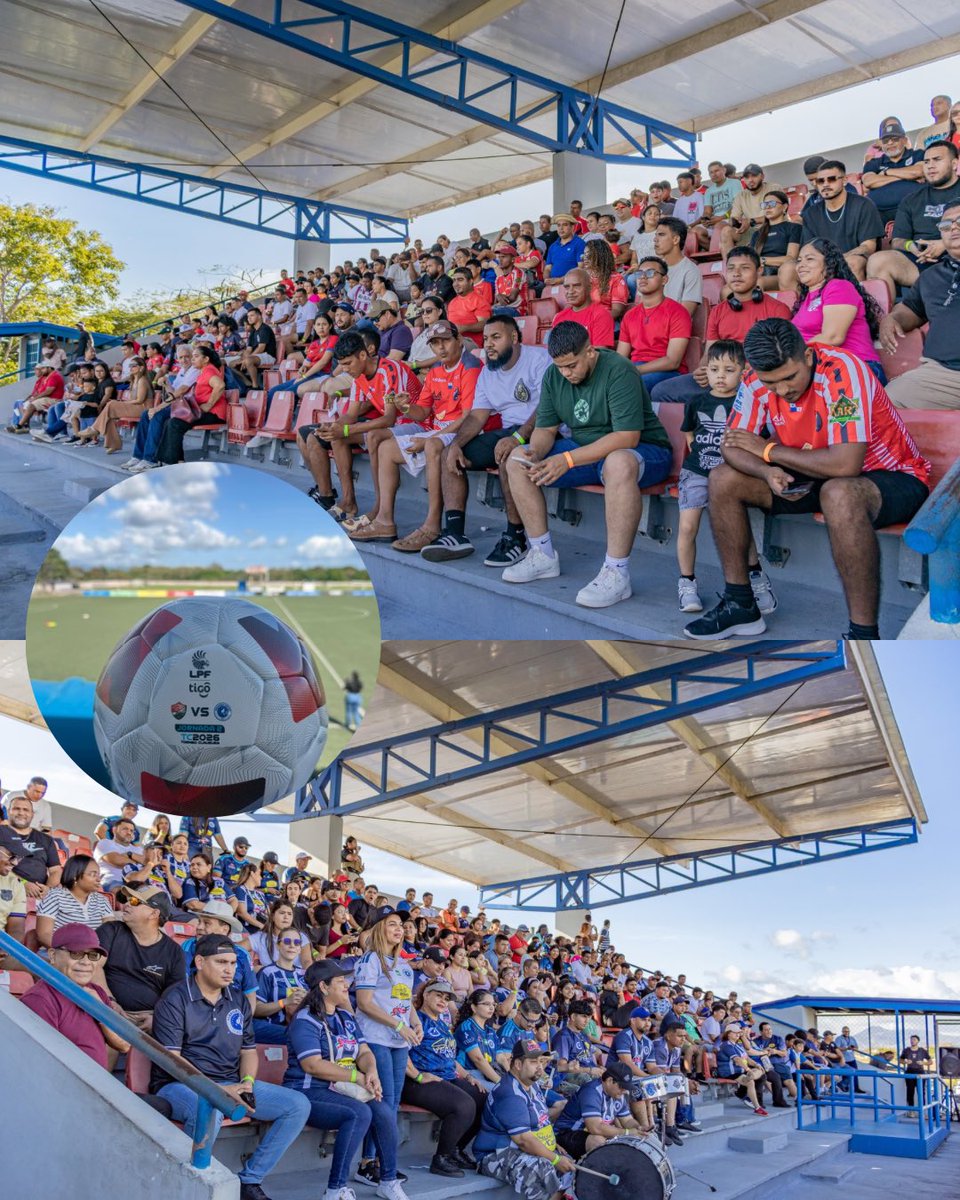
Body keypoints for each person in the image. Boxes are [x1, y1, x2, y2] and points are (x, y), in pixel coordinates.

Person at [684, 319, 930, 640]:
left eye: (789, 377)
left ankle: (863, 635)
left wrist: (769, 451)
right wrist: (765, 469)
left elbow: (845, 464)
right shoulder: (754, 379)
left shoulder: (842, 370)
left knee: (839, 493)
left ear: (807, 357)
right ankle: (741, 604)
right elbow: (733, 446)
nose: (782, 390)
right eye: (772, 384)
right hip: (816, 469)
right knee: (723, 478)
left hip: (892, 475)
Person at [503, 321, 672, 609]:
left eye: (571, 365)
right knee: (517, 459)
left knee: (617, 463)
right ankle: (542, 555)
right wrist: (537, 452)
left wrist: (566, 459)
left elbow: (627, 438)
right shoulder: (554, 376)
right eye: (560, 367)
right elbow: (545, 428)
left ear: (590, 351)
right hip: (586, 451)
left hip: (644, 451)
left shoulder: (619, 369)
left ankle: (616, 574)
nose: (566, 374)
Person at [152, 933, 311, 1200]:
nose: (230, 970)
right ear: (200, 962)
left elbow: (248, 1051)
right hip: (180, 1084)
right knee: (210, 1111)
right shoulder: (175, 998)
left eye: (234, 963)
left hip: (231, 1083)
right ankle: (192, 1185)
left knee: (297, 1105)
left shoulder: (237, 999)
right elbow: (173, 1063)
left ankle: (249, 1180)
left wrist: (247, 1083)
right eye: (221, 962)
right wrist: (219, 1092)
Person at [284, 958, 409, 1200]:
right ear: (323, 986)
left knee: (383, 1111)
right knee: (358, 1113)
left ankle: (388, 1181)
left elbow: (364, 1052)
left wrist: (370, 1072)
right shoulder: (305, 1019)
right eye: (340, 981)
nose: (346, 985)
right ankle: (335, 1189)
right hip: (308, 1090)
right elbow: (313, 1065)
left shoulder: (345, 1018)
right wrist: (357, 1076)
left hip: (343, 1089)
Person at [349, 321, 479, 553]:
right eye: (435, 343)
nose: (441, 348)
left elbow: (468, 417)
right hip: (438, 429)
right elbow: (423, 412)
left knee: (431, 445)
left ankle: (432, 526)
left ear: (458, 341)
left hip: (463, 430)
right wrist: (407, 407)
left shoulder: (470, 367)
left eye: (446, 341)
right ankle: (385, 522)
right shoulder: (435, 371)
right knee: (386, 449)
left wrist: (430, 437)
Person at [676, 340, 777, 615]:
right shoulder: (696, 401)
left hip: (730, 476)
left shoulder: (746, 403)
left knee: (738, 528)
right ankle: (687, 583)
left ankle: (755, 577)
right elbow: (689, 434)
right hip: (696, 471)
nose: (720, 376)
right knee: (687, 528)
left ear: (744, 372)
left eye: (729, 369)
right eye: (714, 369)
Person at [297, 329, 421, 522]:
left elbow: (389, 418)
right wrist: (335, 427)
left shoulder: (389, 369)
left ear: (363, 355)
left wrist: (346, 429)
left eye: (348, 363)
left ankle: (380, 510)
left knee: (371, 436)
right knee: (336, 436)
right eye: (341, 364)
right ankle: (348, 502)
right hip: (394, 424)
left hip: (416, 422)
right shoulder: (359, 376)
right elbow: (351, 415)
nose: (344, 369)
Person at [353, 909, 422, 1188]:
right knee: (383, 1103)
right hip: (377, 1039)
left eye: (402, 925)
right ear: (380, 929)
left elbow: (406, 1003)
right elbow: (365, 1003)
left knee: (391, 1104)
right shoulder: (370, 959)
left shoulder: (404, 965)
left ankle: (381, 1161)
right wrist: (398, 1026)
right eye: (392, 924)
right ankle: (368, 1163)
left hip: (399, 1042)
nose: (399, 929)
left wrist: (415, 1024)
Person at [403, 978, 486, 1176]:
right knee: (464, 1105)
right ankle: (441, 1158)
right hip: (416, 1080)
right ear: (425, 994)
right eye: (438, 995)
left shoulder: (441, 1024)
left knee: (485, 1100)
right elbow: (401, 1053)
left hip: (446, 1076)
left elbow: (449, 1056)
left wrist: (467, 1076)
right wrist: (417, 1075)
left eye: (446, 997)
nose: (442, 1000)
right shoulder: (415, 1021)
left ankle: (456, 1149)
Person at [882, 201, 960, 409]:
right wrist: (892, 318)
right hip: (943, 376)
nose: (953, 228)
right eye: (945, 226)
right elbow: (911, 309)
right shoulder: (931, 276)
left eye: (959, 222)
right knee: (888, 400)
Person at [475, 1039, 575, 1200]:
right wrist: (555, 1158)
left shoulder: (532, 1084)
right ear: (518, 1064)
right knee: (543, 1168)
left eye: (541, 1062)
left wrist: (552, 1144)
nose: (540, 1067)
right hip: (495, 1154)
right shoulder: (510, 1094)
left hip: (518, 1147)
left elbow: (538, 1121)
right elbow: (523, 1140)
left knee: (569, 1164)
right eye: (534, 1062)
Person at [20, 924, 130, 1070]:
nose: (86, 962)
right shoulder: (39, 999)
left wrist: (99, 1011)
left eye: (92, 955)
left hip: (95, 1085)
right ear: (52, 955)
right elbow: (43, 1064)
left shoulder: (97, 992)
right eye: (76, 953)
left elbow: (124, 1045)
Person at [866, 141, 960, 304]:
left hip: (956, 255)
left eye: (937, 159)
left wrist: (944, 244)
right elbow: (897, 241)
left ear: (954, 163)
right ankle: (885, 323)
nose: (930, 166)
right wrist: (912, 247)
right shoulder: (912, 199)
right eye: (926, 161)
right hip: (923, 262)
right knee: (878, 261)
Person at [791, 238, 887, 380]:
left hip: (854, 368)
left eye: (809, 259)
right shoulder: (806, 299)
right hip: (822, 368)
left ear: (829, 263)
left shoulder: (839, 287)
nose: (801, 265)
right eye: (798, 261)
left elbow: (833, 337)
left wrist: (789, 355)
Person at [94, 884, 185, 1029]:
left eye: (135, 902)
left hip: (147, 1021)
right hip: (104, 1010)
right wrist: (109, 1001)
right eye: (128, 900)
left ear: (154, 914)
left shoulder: (174, 952)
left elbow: (174, 994)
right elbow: (94, 967)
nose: (127, 904)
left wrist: (157, 1017)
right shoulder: (110, 930)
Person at [616, 255, 692, 390]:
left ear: (664, 279)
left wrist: (635, 370)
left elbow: (673, 361)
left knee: (631, 386)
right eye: (639, 273)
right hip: (636, 369)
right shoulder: (629, 316)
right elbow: (620, 357)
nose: (643, 277)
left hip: (667, 372)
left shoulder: (678, 312)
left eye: (650, 273)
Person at [801, 160, 884, 280]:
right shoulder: (810, 213)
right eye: (820, 181)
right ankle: (811, 299)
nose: (825, 184)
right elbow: (809, 249)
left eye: (831, 179)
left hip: (856, 258)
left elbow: (868, 246)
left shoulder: (863, 204)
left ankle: (855, 299)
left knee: (852, 263)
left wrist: (838, 259)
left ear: (844, 180)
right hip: (824, 262)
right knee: (790, 269)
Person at [156, 344, 226, 466]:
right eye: (192, 356)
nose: (192, 359)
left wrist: (209, 404)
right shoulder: (203, 371)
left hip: (213, 414)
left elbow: (220, 385)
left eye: (196, 356)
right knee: (170, 422)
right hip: (201, 411)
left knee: (174, 423)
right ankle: (177, 460)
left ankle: (173, 462)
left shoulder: (209, 370)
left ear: (206, 359)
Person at [180, 900, 257, 1009]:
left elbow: (250, 996)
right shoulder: (188, 947)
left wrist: (245, 1024)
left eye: (206, 923)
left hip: (234, 1016)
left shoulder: (242, 954)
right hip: (196, 1013)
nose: (199, 927)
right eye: (199, 922)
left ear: (224, 929)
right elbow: (182, 988)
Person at [553, 1064, 638, 1158]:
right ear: (609, 1081)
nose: (625, 1091)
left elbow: (628, 1120)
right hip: (565, 1133)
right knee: (598, 1142)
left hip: (587, 1134)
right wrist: (627, 1132)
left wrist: (639, 1128)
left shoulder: (618, 1094)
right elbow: (596, 1128)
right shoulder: (591, 1091)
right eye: (622, 1086)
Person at [36, 854, 115, 947]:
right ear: (75, 876)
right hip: (58, 953)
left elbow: (110, 935)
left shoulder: (102, 900)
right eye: (93, 874)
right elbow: (44, 935)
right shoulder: (54, 896)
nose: (98, 879)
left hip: (91, 956)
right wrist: (72, 954)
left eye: (99, 875)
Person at [861, 117, 925, 224]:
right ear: (882, 144)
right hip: (879, 213)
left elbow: (918, 171)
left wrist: (886, 172)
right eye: (886, 140)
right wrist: (907, 176)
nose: (890, 143)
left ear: (904, 140)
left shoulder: (917, 154)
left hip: (915, 208)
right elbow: (868, 181)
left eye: (894, 138)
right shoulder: (874, 163)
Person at [254, 926, 309, 1045]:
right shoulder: (267, 972)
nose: (292, 945)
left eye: (297, 942)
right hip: (271, 1026)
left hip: (300, 1026)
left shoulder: (304, 975)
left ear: (300, 949)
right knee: (302, 1036)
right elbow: (256, 1009)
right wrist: (285, 1002)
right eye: (287, 941)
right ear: (278, 946)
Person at [0, 795, 62, 899]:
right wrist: (22, 883)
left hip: (40, 895)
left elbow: (55, 871)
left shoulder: (46, 840)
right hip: (7, 889)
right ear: (9, 811)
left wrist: (47, 889)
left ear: (32, 815)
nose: (21, 813)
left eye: (26, 810)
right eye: (16, 809)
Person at [722, 164, 782, 256]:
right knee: (726, 231)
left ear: (762, 176)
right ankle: (730, 266)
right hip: (752, 231)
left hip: (774, 228)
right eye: (747, 177)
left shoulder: (774, 188)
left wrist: (751, 221)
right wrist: (737, 222)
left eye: (754, 176)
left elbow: (777, 214)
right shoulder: (741, 196)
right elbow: (733, 218)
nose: (750, 180)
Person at [751, 191, 802, 291]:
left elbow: (791, 258)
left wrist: (763, 260)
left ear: (784, 207)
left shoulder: (794, 228)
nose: (767, 207)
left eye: (772, 204)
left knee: (758, 283)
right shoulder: (757, 234)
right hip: (761, 273)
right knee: (727, 290)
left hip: (783, 273)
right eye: (764, 204)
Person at [653, 217, 703, 315]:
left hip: (673, 327)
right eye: (656, 235)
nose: (655, 239)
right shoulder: (652, 269)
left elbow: (685, 314)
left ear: (675, 239)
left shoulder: (691, 271)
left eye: (661, 235)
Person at [715, 1028, 768, 1116]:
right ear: (728, 1034)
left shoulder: (737, 1045)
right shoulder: (726, 1045)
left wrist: (756, 1065)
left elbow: (746, 1058)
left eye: (738, 1033)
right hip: (729, 1072)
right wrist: (748, 1070)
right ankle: (757, 1108)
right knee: (750, 1082)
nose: (737, 1034)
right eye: (735, 1032)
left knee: (761, 1071)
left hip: (740, 1071)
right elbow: (737, 1060)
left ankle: (751, 1076)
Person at [455, 990, 502, 1086]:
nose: (491, 1007)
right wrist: (500, 1083)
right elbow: (478, 1060)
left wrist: (513, 1079)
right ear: (473, 1008)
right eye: (486, 1004)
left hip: (489, 1071)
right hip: (469, 1073)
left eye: (493, 1004)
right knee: (501, 1093)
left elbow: (501, 1058)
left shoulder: (490, 1030)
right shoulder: (466, 1027)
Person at [543, 214, 586, 281]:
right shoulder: (553, 246)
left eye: (565, 225)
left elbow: (581, 268)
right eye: (559, 225)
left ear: (572, 227)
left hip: (571, 285)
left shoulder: (580, 243)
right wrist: (546, 279)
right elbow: (548, 268)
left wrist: (560, 280)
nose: (561, 228)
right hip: (552, 285)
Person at [0, 844, 27, 944]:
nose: (15, 862)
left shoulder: (15, 882)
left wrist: (8, 951)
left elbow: (16, 929)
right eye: (10, 855)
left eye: (18, 857)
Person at [900, 1035, 932, 1107]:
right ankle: (911, 1110)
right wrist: (905, 1062)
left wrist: (923, 1063)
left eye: (914, 1039)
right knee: (910, 1091)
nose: (912, 1041)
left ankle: (922, 1109)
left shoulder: (922, 1050)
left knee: (921, 1091)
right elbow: (900, 1060)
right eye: (911, 1039)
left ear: (918, 1041)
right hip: (909, 1072)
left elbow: (930, 1062)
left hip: (920, 1072)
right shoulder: (906, 1050)